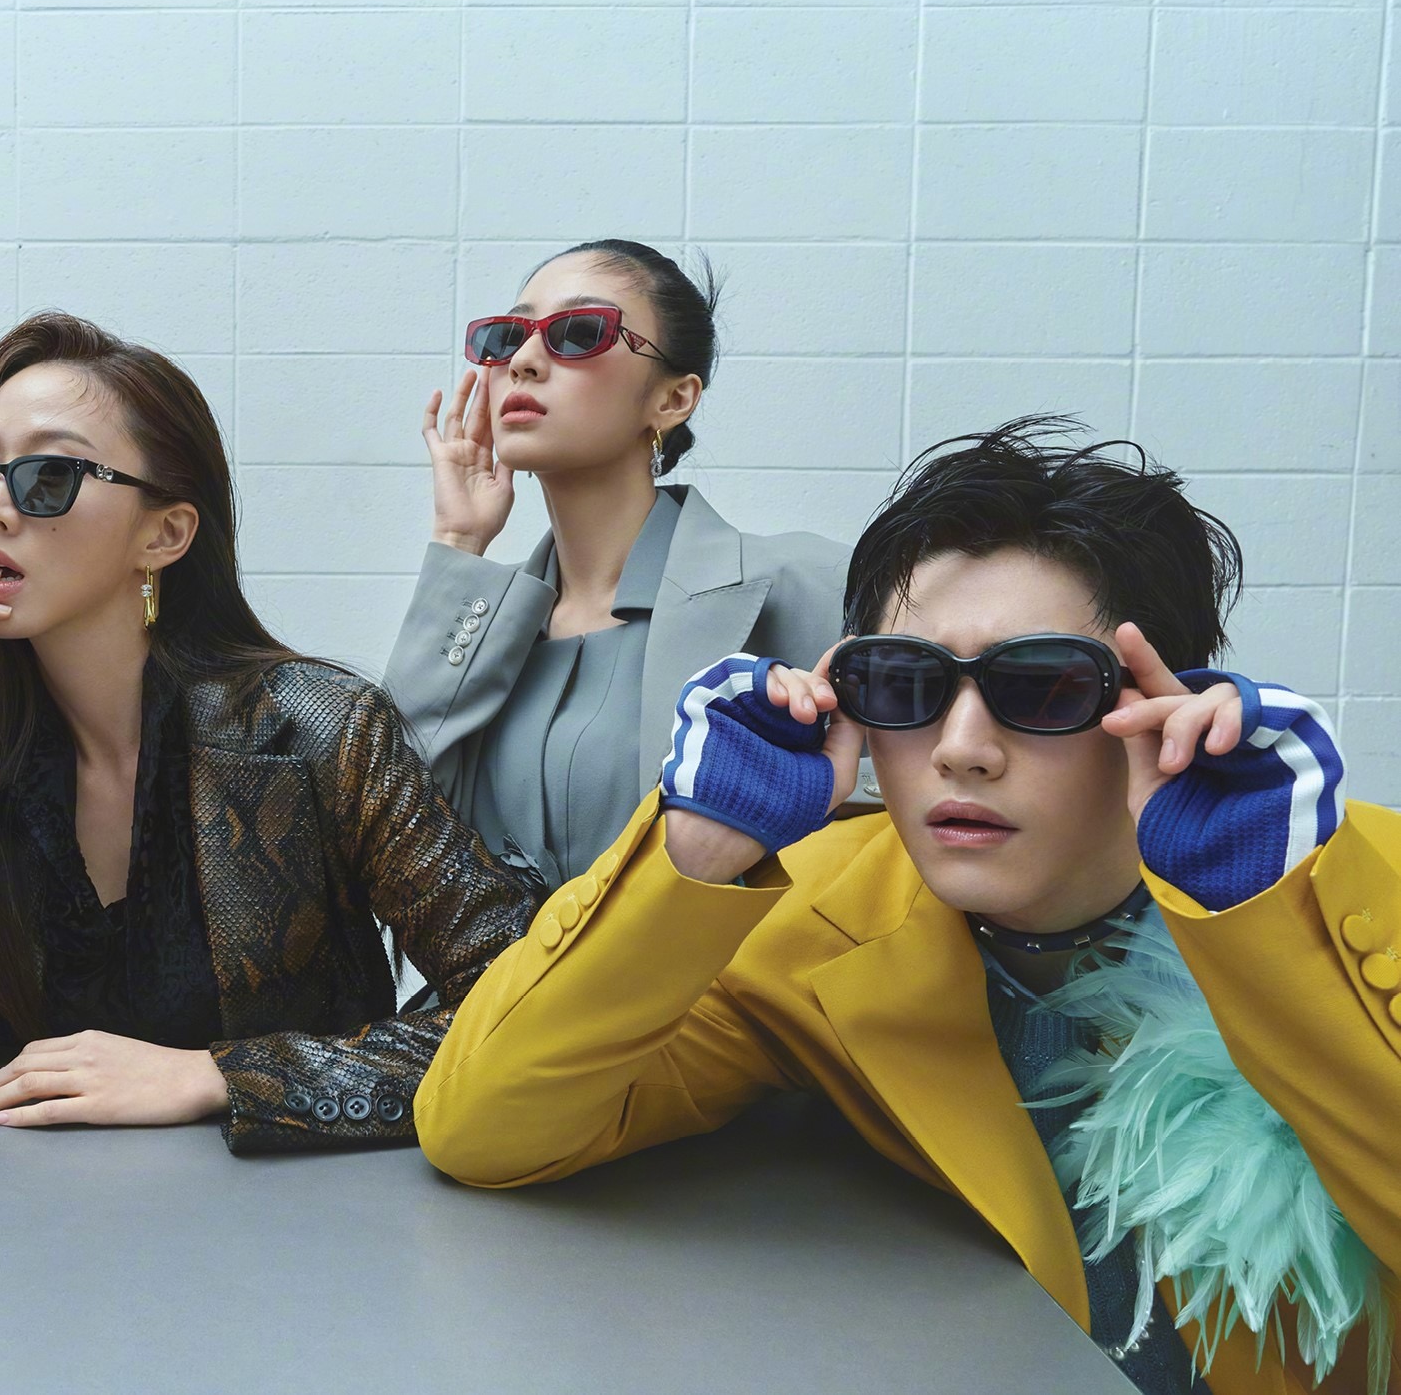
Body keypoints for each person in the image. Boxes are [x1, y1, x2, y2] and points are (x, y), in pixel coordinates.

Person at [416, 420, 1398, 1394]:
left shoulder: (1354, 879)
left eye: (1044, 687)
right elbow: (485, 1127)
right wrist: (698, 844)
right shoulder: (818, 922)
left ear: (1159, 699)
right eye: (902, 684)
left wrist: (1268, 914)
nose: (961, 748)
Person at [0, 312, 533, 1148]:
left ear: (164, 533)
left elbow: (522, 1012)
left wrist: (218, 1076)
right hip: (25, 1206)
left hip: (299, 1208)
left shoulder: (318, 731)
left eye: (48, 475)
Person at [386, 239, 846, 901]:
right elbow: (385, 826)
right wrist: (458, 541)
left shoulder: (810, 586)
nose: (523, 360)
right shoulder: (487, 625)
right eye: (507, 336)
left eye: (578, 332)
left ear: (673, 399)